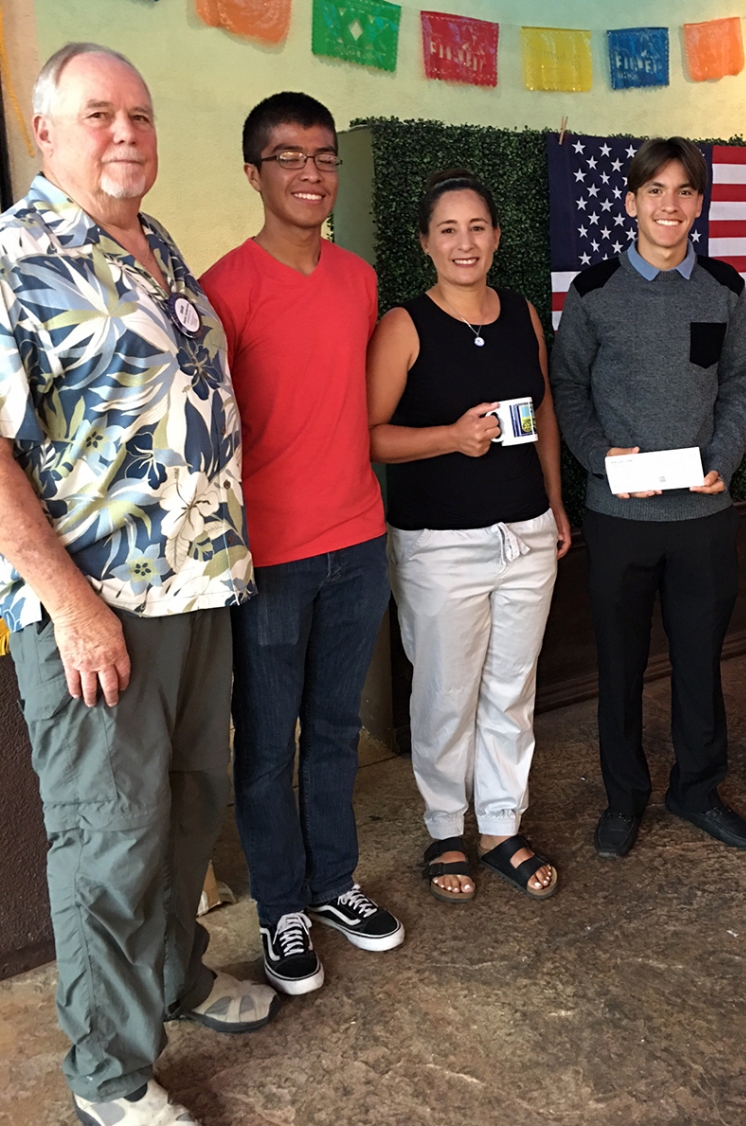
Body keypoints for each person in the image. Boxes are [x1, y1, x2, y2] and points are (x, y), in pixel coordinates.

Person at [0, 43, 278, 1126]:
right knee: (110, 839)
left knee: (184, 811)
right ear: (46, 131)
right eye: (100, 114)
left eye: (142, 116)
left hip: (196, 593)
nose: (127, 134)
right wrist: (72, 604)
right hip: (97, 611)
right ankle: (107, 1075)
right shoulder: (18, 258)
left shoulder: (152, 243)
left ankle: (174, 977)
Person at [200, 92, 402, 999]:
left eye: (324, 157)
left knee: (335, 729)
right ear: (255, 173)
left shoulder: (359, 280)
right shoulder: (222, 290)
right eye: (290, 157)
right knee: (266, 743)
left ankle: (332, 886)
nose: (312, 173)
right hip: (271, 560)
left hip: (359, 541)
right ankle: (280, 905)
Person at [551, 137, 746, 860]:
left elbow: (740, 382)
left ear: (698, 205)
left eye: (683, 192)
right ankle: (624, 798)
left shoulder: (723, 290)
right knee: (620, 667)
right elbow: (568, 388)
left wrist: (724, 457)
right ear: (631, 202)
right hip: (620, 521)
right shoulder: (594, 291)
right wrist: (596, 457)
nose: (669, 206)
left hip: (703, 516)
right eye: (655, 191)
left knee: (702, 663)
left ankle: (696, 791)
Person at [366, 169, 571, 902]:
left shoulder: (521, 314)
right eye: (448, 229)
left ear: (496, 236)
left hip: (526, 535)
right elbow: (370, 438)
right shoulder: (404, 326)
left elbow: (544, 414)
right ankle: (445, 829)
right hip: (440, 547)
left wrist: (553, 504)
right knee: (447, 693)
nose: (464, 242)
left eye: (477, 227)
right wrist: (450, 438)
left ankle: (499, 826)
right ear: (425, 242)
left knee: (512, 689)